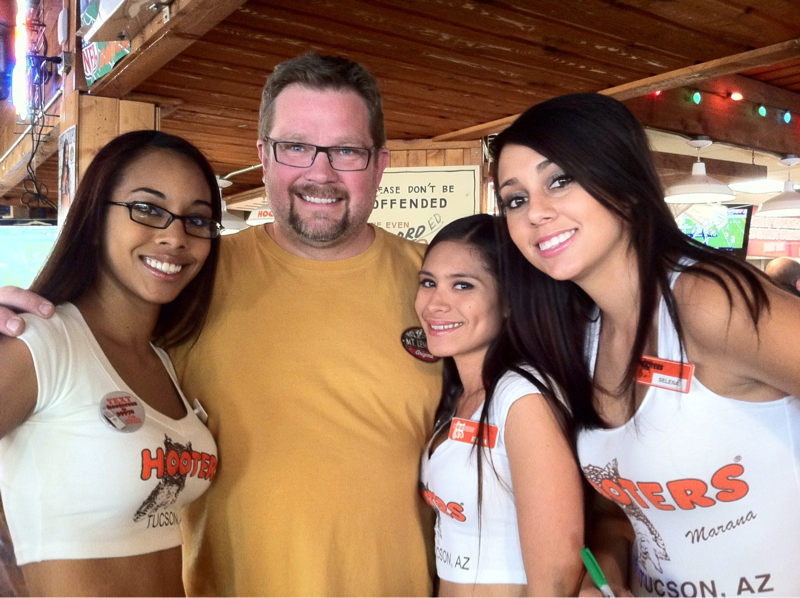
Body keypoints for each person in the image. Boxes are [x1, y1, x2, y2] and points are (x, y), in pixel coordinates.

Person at [0, 55, 443, 596]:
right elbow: (86, 337)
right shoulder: (192, 276)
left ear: (380, 163)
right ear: (263, 156)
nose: (320, 172)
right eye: (295, 146)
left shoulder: (445, 290)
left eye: (347, 150)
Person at [490, 93, 800, 597]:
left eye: (560, 180)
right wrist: (605, 579)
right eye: (515, 199)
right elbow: (620, 515)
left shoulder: (708, 302)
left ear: (624, 183)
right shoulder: (584, 336)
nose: (535, 213)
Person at [0, 130, 222, 597]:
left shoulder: (162, 360)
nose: (175, 236)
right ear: (95, 216)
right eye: (147, 208)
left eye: (197, 219)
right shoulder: (43, 344)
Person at [416, 214, 584, 597]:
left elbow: (558, 575)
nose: (435, 304)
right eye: (428, 282)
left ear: (508, 301)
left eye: (462, 285)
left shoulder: (522, 398)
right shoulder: (459, 395)